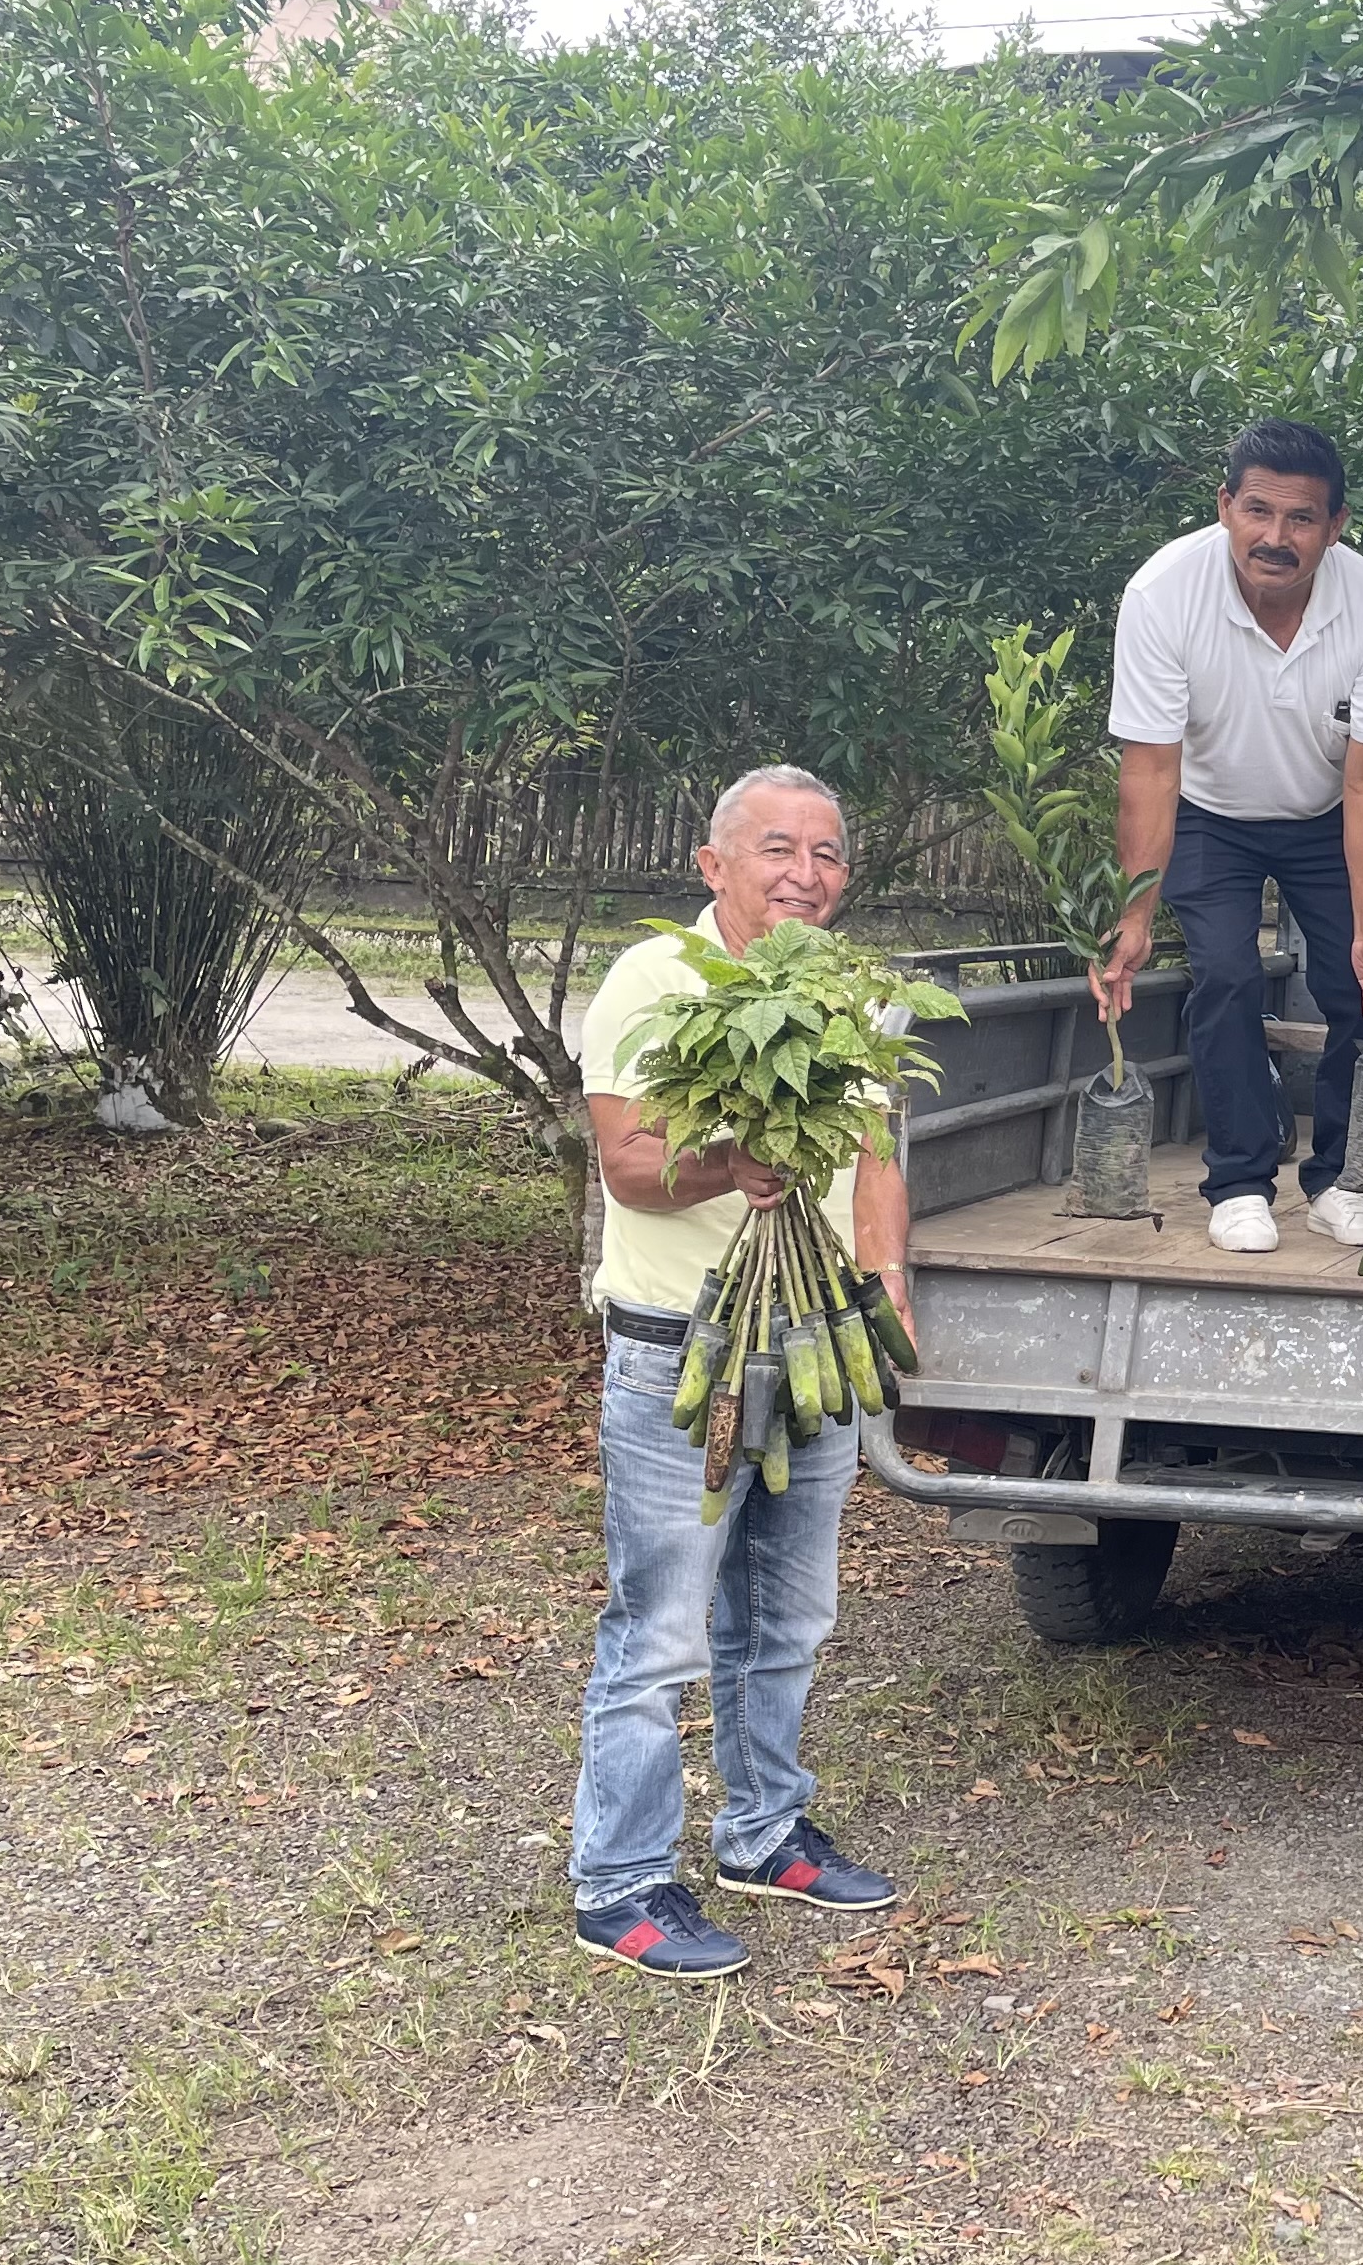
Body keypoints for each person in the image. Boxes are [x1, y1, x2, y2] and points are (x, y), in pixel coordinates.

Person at [564, 765, 915, 1979]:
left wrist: (887, 1271)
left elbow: (874, 1151)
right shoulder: (652, 982)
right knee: (661, 1627)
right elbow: (628, 1165)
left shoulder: (848, 993)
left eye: (827, 853)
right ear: (714, 866)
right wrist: (734, 1162)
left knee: (787, 1617)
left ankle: (763, 1833)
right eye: (778, 849)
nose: (805, 875)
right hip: (685, 1349)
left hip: (807, 1333)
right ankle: (619, 1883)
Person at [1097, 419, 1363, 1256]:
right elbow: (1151, 771)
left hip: (1327, 813)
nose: (1276, 537)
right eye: (1258, 511)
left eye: (1301, 518)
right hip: (1210, 815)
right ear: (1225, 507)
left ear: (1335, 525)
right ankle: (1240, 1183)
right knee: (1227, 976)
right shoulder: (1163, 593)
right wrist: (1134, 916)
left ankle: (1345, 1183)